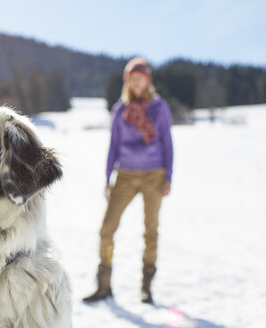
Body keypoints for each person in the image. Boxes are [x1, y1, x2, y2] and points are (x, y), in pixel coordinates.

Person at [83, 57, 173, 304]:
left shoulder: (159, 108)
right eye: (132, 78)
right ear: (127, 81)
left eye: (140, 78)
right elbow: (113, 145)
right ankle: (104, 285)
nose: (136, 82)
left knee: (150, 230)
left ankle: (146, 286)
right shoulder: (120, 110)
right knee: (107, 229)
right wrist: (107, 177)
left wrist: (168, 176)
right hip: (124, 176)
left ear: (147, 81)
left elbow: (167, 142)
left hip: (154, 175)